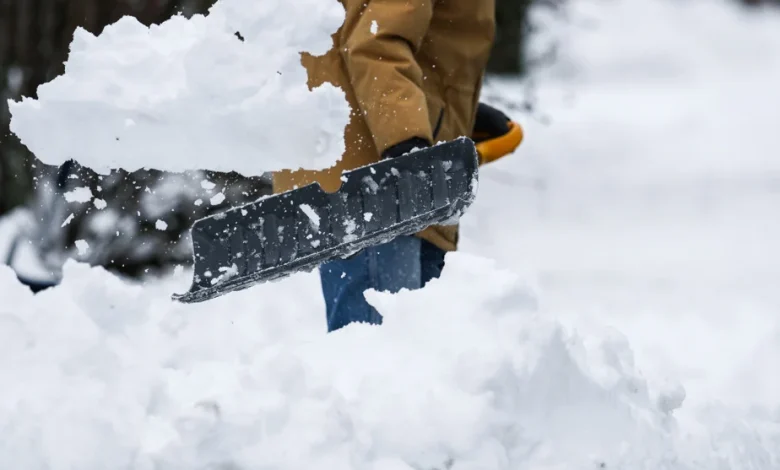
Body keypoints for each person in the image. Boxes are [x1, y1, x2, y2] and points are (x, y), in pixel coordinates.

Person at [273, 0, 518, 332]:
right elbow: (376, 44)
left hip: (387, 172)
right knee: (382, 347)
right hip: (378, 184)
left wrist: (455, 116)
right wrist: (407, 141)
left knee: (413, 344)